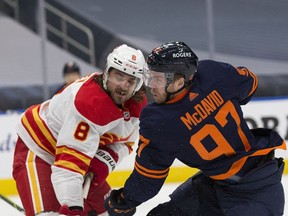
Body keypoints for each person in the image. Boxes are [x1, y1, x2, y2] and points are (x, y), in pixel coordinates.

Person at [104, 41, 287, 216]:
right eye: (150, 76)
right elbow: (250, 84)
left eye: (158, 79)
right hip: (249, 183)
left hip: (247, 204)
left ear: (179, 81)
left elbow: (148, 180)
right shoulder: (213, 72)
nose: (151, 85)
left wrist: (123, 201)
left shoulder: (158, 120)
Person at [12, 44, 147, 216]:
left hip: (77, 157)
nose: (124, 86)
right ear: (106, 72)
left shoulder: (136, 104)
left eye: (131, 81)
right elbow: (69, 166)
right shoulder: (88, 103)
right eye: (119, 76)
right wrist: (73, 208)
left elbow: (126, 142)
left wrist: (99, 164)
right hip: (40, 149)